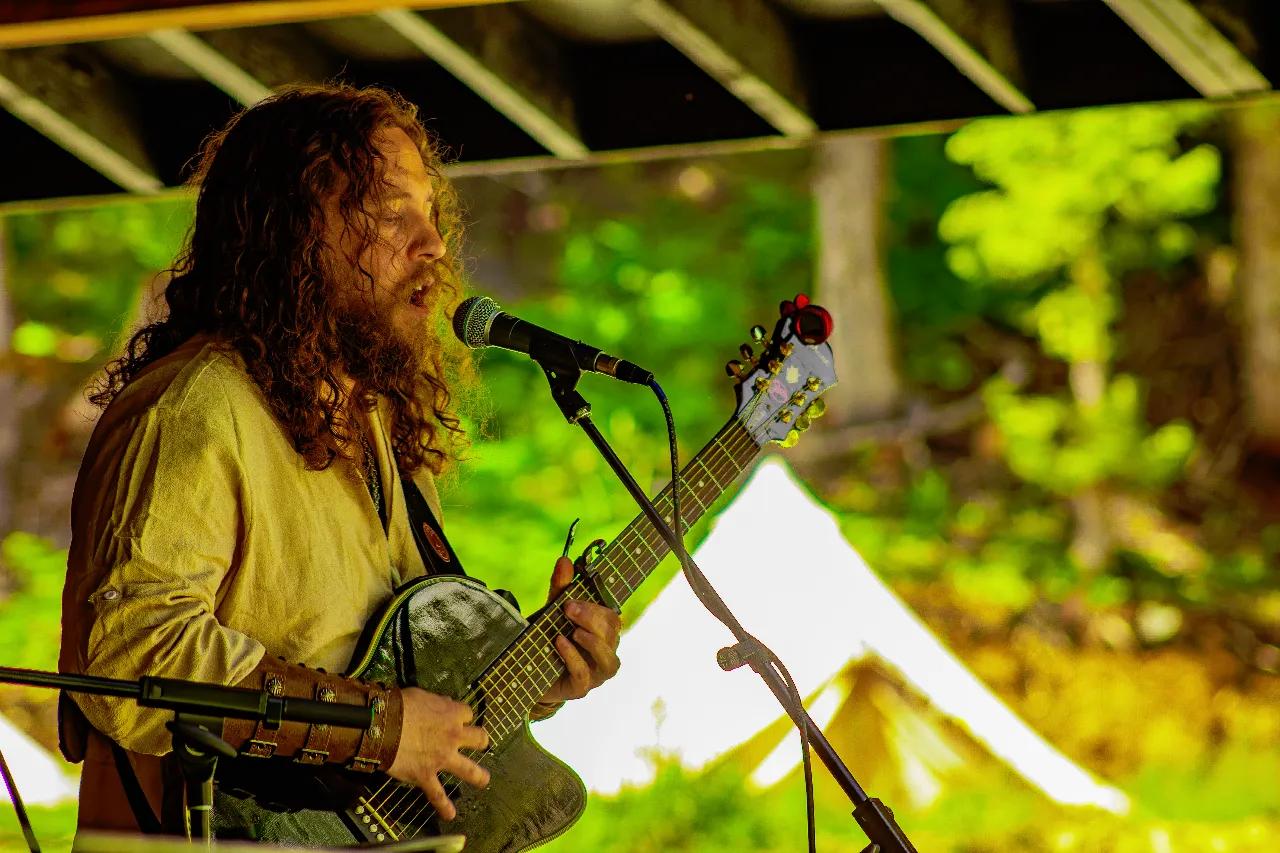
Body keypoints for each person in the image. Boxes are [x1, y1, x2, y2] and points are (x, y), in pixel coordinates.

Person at [57, 83, 622, 839]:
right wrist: (379, 726)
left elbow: (398, 677)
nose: (432, 246)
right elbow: (132, 654)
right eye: (393, 215)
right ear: (295, 233)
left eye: (430, 214)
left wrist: (537, 677)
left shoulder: (380, 424)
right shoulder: (197, 409)